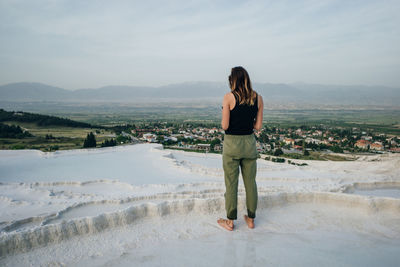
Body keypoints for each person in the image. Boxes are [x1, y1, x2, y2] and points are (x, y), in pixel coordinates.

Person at [217, 66, 264, 231]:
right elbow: (258, 126)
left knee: (231, 184)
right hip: (249, 144)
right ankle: (251, 219)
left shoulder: (228, 97)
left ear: (233, 80)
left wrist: (225, 111)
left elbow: (225, 125)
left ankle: (230, 221)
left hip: (231, 145)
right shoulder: (258, 98)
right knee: (250, 182)